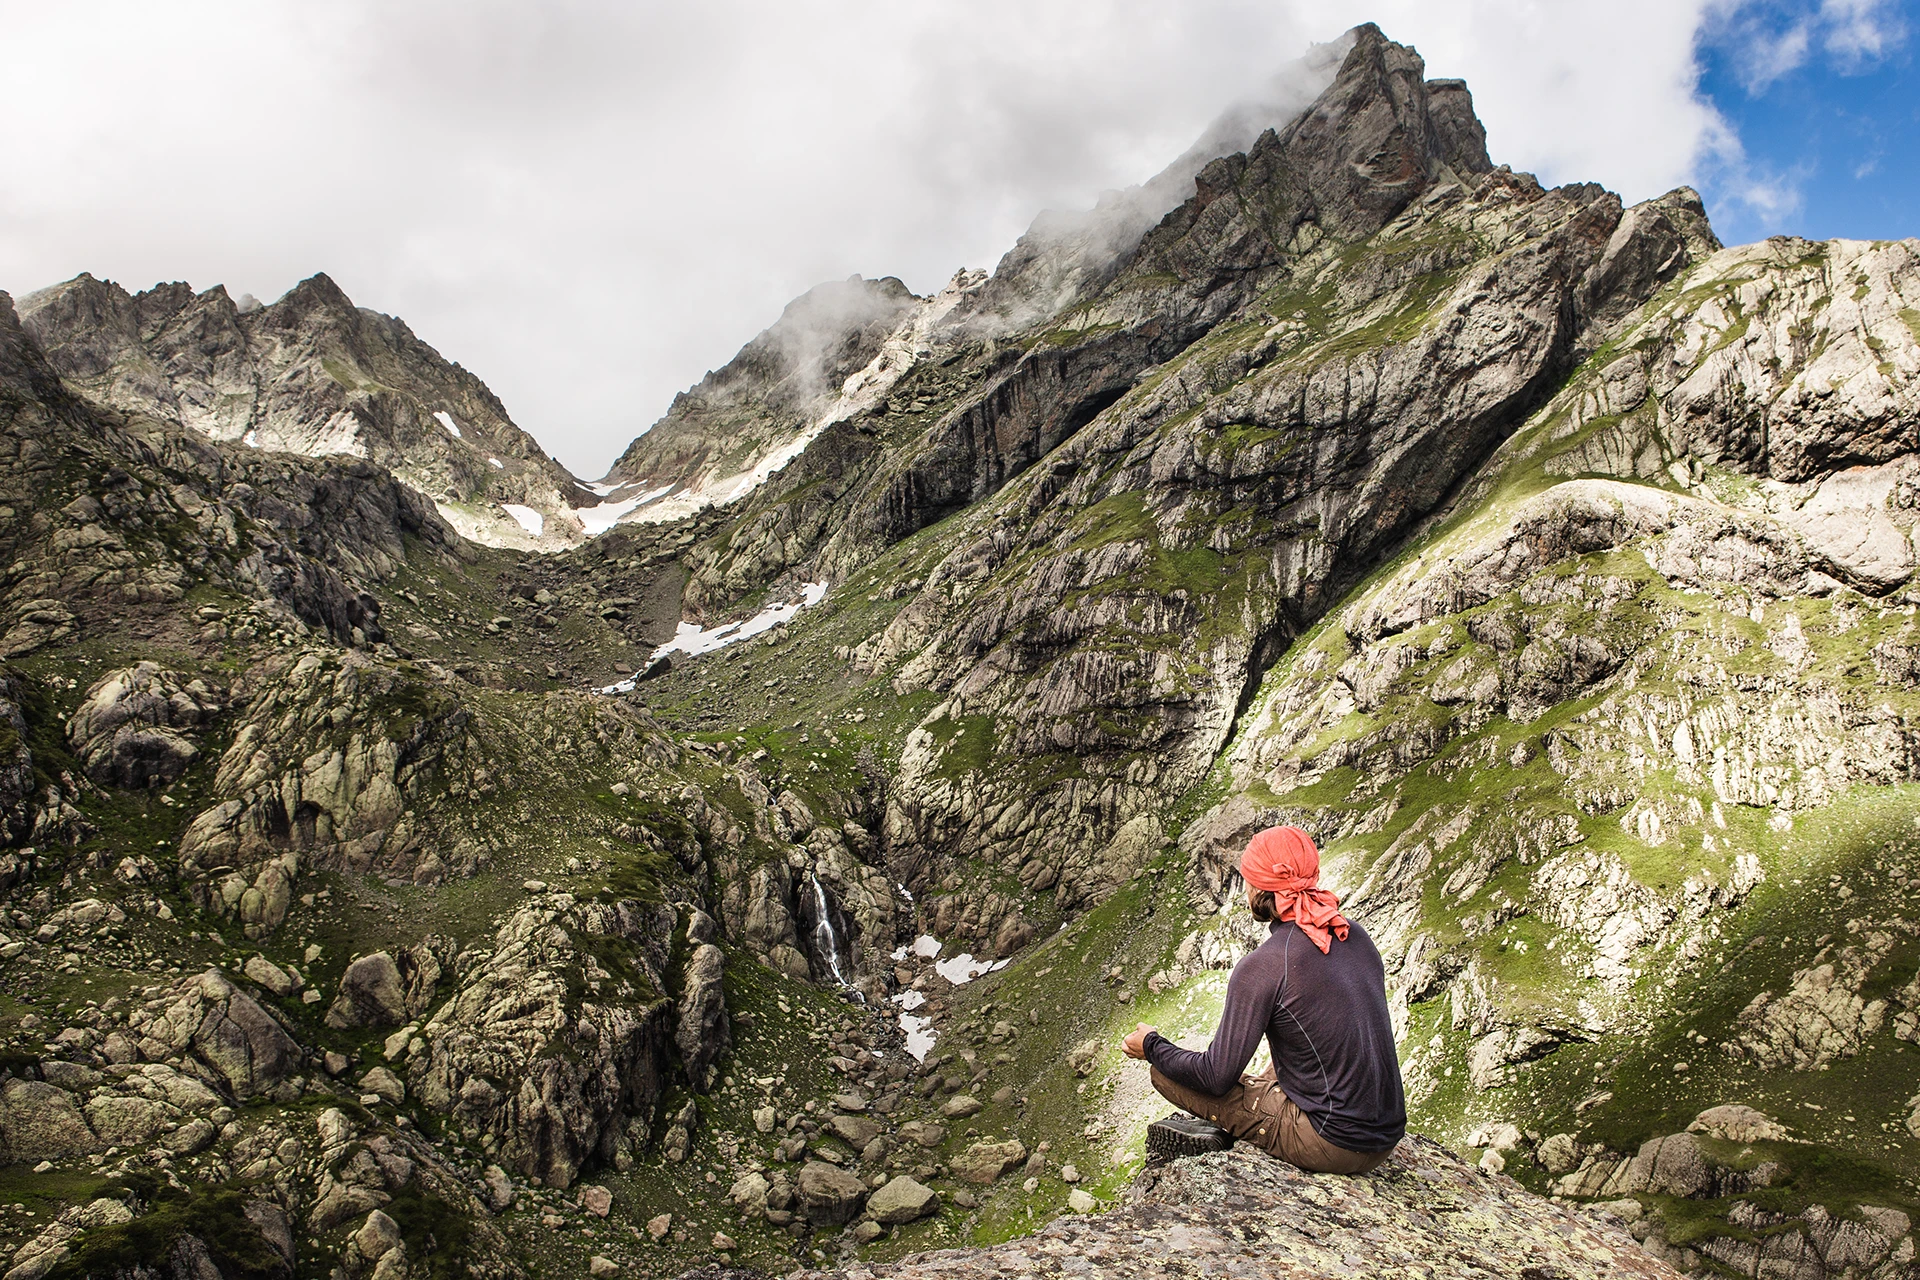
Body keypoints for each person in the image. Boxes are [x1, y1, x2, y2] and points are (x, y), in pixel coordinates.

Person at [1122, 824, 1405, 1174]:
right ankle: (1243, 1123)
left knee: (1164, 1073)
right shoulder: (1352, 933)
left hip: (1334, 1144)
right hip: (1385, 1135)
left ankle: (1230, 1134)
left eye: (1249, 879)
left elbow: (1215, 1077)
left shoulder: (1264, 965)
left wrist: (1151, 1044)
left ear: (1259, 888)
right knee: (1286, 1048)